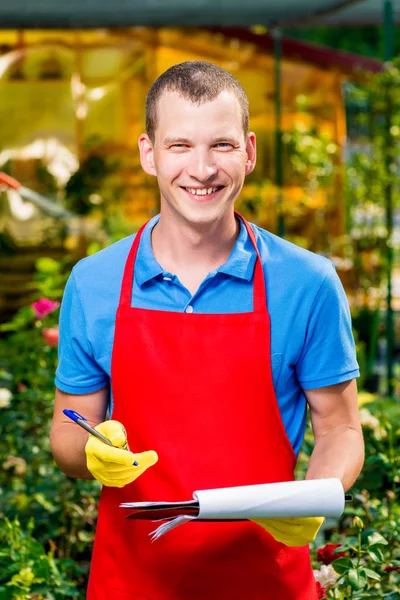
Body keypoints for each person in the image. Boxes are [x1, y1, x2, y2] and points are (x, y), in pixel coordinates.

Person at [50, 60, 364, 600]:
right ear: (149, 153)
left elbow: (339, 429)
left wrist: (317, 493)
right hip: (131, 583)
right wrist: (89, 451)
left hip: (267, 579)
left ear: (249, 151)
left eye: (221, 145)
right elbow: (68, 431)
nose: (202, 169)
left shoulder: (306, 282)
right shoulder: (95, 282)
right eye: (179, 146)